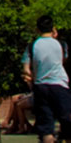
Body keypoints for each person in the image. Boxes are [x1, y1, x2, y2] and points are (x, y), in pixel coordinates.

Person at [22, 15, 71, 143]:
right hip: (59, 84)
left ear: (37, 30)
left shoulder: (32, 46)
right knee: (66, 118)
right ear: (53, 29)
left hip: (41, 86)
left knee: (46, 126)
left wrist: (33, 76)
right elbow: (62, 60)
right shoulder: (61, 45)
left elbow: (26, 70)